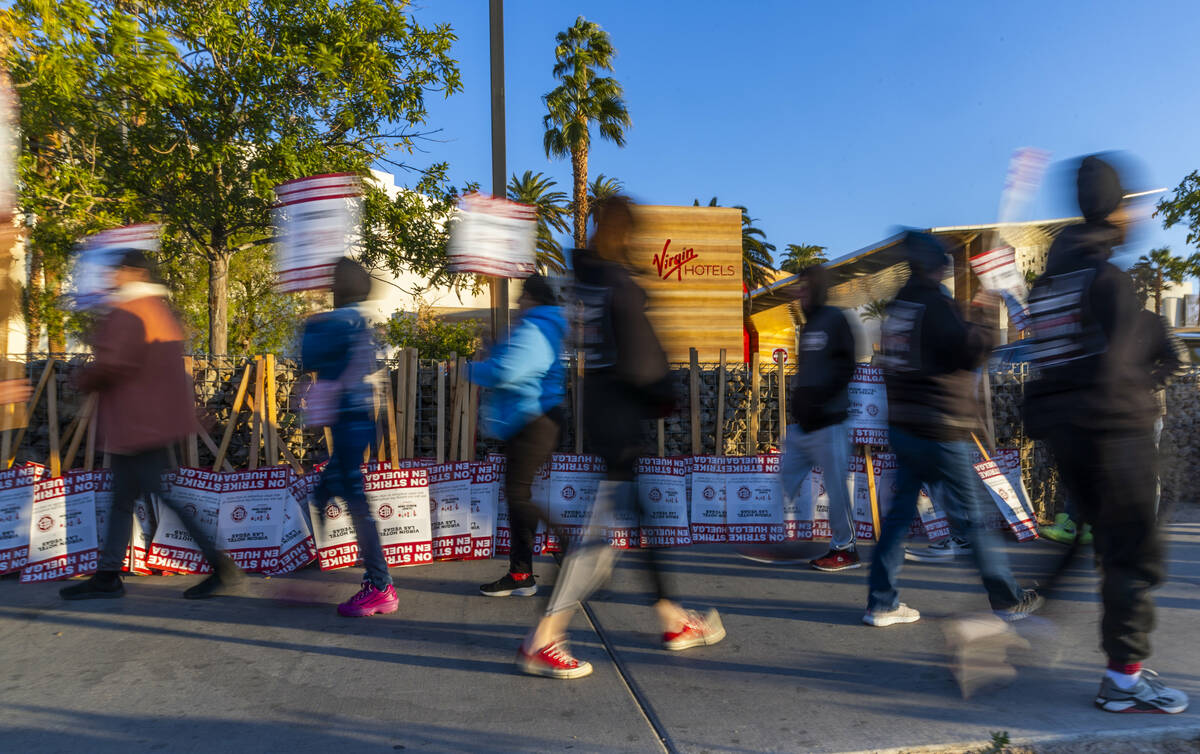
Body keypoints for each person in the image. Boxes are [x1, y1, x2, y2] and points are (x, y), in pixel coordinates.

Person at [517, 196, 725, 680]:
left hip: (602, 410)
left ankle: (672, 618)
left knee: (639, 519)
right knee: (596, 541)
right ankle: (544, 638)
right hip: (622, 417)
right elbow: (641, 361)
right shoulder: (617, 283)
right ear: (627, 233)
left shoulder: (585, 279)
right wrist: (663, 391)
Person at [1024, 155, 1188, 714]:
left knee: (1096, 549)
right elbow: (1118, 373)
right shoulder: (1108, 280)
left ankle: (1030, 621)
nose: (1136, 213)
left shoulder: (1049, 286)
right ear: (1114, 207)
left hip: (1069, 435)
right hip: (1115, 436)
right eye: (1131, 202)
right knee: (1134, 557)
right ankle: (1124, 680)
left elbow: (1052, 363)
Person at [866, 231, 1040, 627]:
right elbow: (971, 351)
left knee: (897, 519)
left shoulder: (899, 307)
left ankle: (882, 602)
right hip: (942, 426)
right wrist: (985, 306)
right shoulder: (935, 304)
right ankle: (1007, 599)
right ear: (935, 266)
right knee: (972, 519)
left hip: (904, 425)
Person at [61, 250, 242, 600]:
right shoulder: (159, 311)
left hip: (136, 424)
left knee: (159, 496)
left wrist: (83, 377)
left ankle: (221, 567)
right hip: (152, 423)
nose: (112, 277)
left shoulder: (129, 312)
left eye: (117, 271)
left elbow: (113, 364)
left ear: (134, 272)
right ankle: (108, 575)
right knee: (123, 498)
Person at [302, 258, 396, 618]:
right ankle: (336, 570)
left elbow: (311, 355)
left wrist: (311, 320)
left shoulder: (338, 323)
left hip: (350, 421)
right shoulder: (362, 320)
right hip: (359, 420)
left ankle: (379, 585)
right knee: (326, 490)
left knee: (355, 499)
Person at [472, 274, 568, 598]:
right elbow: (512, 363)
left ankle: (564, 544)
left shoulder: (535, 328)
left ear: (533, 297)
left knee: (517, 494)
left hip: (532, 418)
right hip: (532, 418)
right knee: (518, 494)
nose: (517, 302)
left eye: (522, 296)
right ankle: (521, 572)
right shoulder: (540, 327)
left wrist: (470, 368)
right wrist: (494, 348)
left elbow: (506, 372)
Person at [780, 263, 860, 571]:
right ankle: (774, 539)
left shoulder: (835, 320)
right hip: (804, 427)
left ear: (816, 289)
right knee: (783, 477)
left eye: (803, 287)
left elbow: (846, 366)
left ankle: (846, 548)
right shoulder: (809, 325)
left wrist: (822, 400)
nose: (798, 293)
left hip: (831, 423)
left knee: (837, 490)